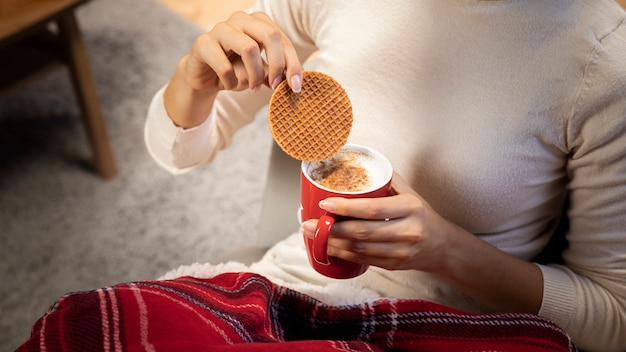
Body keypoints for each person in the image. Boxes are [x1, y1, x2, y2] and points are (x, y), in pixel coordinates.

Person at [143, 1, 626, 351]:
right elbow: (178, 152)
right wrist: (192, 79)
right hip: (292, 291)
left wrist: (447, 252)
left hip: (460, 329)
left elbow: (614, 316)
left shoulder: (602, 60)